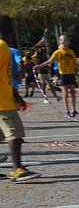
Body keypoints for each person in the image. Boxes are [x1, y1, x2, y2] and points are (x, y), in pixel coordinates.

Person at [0, 15, 40, 182]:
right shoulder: (2, 46)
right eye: (11, 28)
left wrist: (16, 96)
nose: (12, 32)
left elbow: (6, 77)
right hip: (2, 102)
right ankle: (17, 169)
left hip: (6, 97)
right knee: (15, 133)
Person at [35, 34, 79, 117]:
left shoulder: (71, 51)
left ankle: (74, 110)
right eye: (62, 42)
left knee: (73, 92)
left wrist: (78, 71)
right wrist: (39, 66)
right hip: (63, 74)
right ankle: (67, 111)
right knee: (65, 92)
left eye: (66, 41)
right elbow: (49, 61)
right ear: (60, 42)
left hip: (71, 73)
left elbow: (75, 62)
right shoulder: (58, 52)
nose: (64, 43)